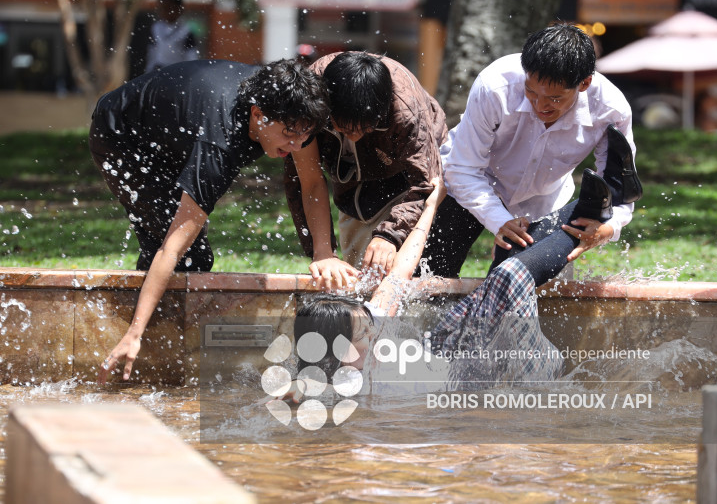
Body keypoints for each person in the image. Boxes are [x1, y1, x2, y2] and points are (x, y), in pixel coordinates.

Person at [284, 155, 635, 399]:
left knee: (508, 276)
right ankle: (544, 384)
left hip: (449, 349)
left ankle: (586, 211)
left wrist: (431, 207)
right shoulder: (335, 394)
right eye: (363, 333)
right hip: (471, 378)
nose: (375, 330)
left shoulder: (365, 330)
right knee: (511, 276)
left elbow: (401, 271)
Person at [95, 58, 330, 383]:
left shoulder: (293, 113)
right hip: (122, 135)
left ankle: (168, 362)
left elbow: (313, 183)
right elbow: (171, 250)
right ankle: (138, 348)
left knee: (192, 258)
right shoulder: (219, 144)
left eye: (305, 137)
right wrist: (135, 331)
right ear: (257, 115)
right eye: (289, 136)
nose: (297, 146)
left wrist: (324, 255)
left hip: (178, 127)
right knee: (185, 254)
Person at [421, 23, 642, 278]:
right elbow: (463, 169)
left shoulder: (611, 110)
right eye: (531, 91)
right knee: (429, 272)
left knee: (535, 288)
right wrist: (498, 219)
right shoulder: (495, 85)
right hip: (473, 182)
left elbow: (620, 186)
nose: (540, 105)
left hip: (545, 196)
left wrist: (610, 228)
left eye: (555, 99)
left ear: (584, 83)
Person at [283, 51, 447, 290]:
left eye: (364, 129)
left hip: (404, 171)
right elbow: (309, 182)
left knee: (401, 274)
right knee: (355, 277)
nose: (355, 136)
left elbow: (425, 186)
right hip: (350, 179)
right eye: (346, 128)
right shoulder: (309, 99)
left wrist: (389, 236)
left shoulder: (407, 112)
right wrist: (323, 254)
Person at [145, 0, 199, 73]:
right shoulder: (156, 28)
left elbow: (191, 56)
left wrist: (191, 73)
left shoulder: (186, 30)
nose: (165, 12)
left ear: (179, 9)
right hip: (159, 70)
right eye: (162, 8)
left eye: (169, 8)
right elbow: (152, 53)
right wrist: (148, 72)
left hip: (178, 71)